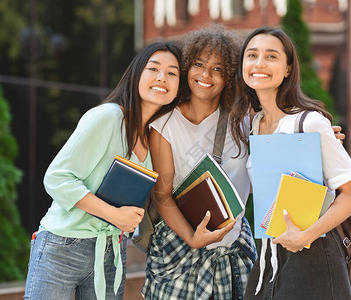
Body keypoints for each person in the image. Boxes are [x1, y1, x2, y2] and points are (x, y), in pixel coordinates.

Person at [23, 41, 182, 300]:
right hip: (63, 246)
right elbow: (57, 178)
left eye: (172, 73)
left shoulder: (157, 136)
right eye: (153, 69)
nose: (162, 78)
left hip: (112, 251)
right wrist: (114, 215)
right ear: (136, 75)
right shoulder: (108, 117)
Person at [230, 27, 351, 299]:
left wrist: (306, 236)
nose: (259, 64)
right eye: (252, 55)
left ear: (288, 68)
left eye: (271, 56)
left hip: (313, 256)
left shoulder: (310, 122)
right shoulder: (254, 125)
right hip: (268, 256)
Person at [143, 24, 257, 300]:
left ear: (229, 76)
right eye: (199, 64)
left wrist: (326, 135)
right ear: (186, 69)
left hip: (234, 253)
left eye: (218, 69)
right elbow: (163, 195)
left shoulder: (246, 122)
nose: (206, 75)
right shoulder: (164, 126)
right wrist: (193, 238)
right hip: (179, 251)